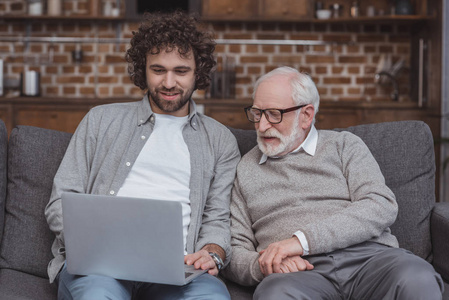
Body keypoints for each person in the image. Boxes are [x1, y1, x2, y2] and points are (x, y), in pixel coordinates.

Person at [45, 11, 240, 300]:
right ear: (143, 70)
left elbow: (218, 219)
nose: (169, 83)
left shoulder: (220, 140)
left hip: (179, 270)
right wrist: (93, 243)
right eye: (158, 70)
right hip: (99, 267)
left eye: (181, 71)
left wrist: (212, 252)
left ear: (198, 72)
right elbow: (60, 202)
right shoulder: (100, 120)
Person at [221, 66, 444, 299]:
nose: (262, 126)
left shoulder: (344, 146)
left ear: (306, 115)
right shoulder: (245, 167)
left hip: (370, 260)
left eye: (274, 114)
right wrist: (264, 264)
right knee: (274, 294)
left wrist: (300, 241)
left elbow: (380, 205)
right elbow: (234, 251)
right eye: (257, 113)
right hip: (299, 275)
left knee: (417, 278)